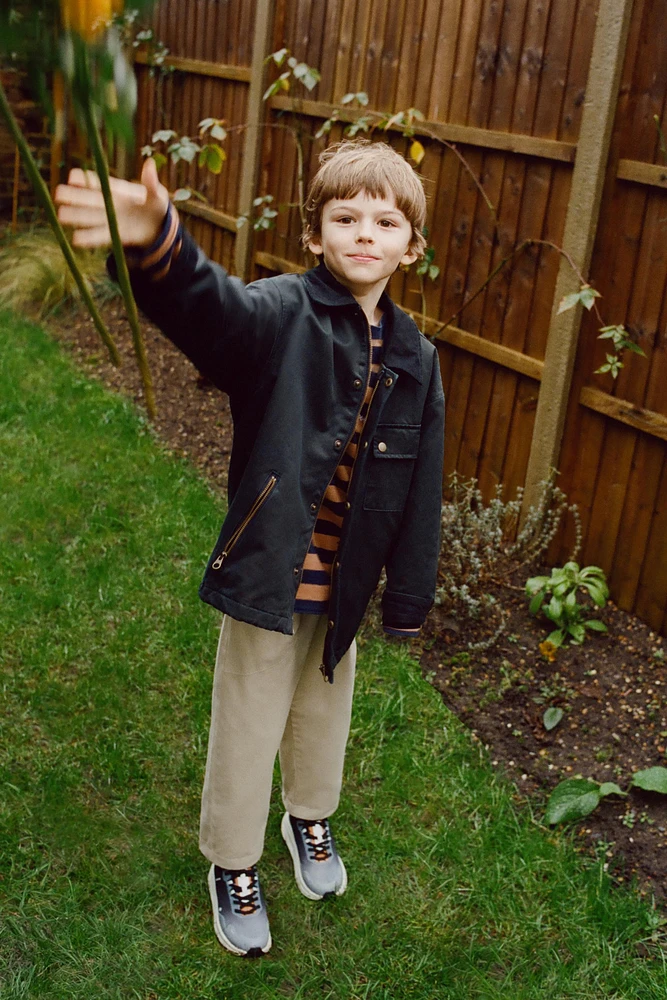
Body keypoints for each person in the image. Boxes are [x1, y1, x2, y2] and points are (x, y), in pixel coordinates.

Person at [55, 139, 445, 958]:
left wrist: (405, 598)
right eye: (344, 217)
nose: (363, 234)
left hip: (344, 583)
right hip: (273, 569)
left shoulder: (417, 357)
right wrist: (162, 248)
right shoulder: (280, 314)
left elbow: (421, 486)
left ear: (411, 246)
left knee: (322, 717)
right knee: (248, 723)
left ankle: (309, 818)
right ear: (314, 235)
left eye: (384, 221)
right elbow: (214, 314)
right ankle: (234, 864)